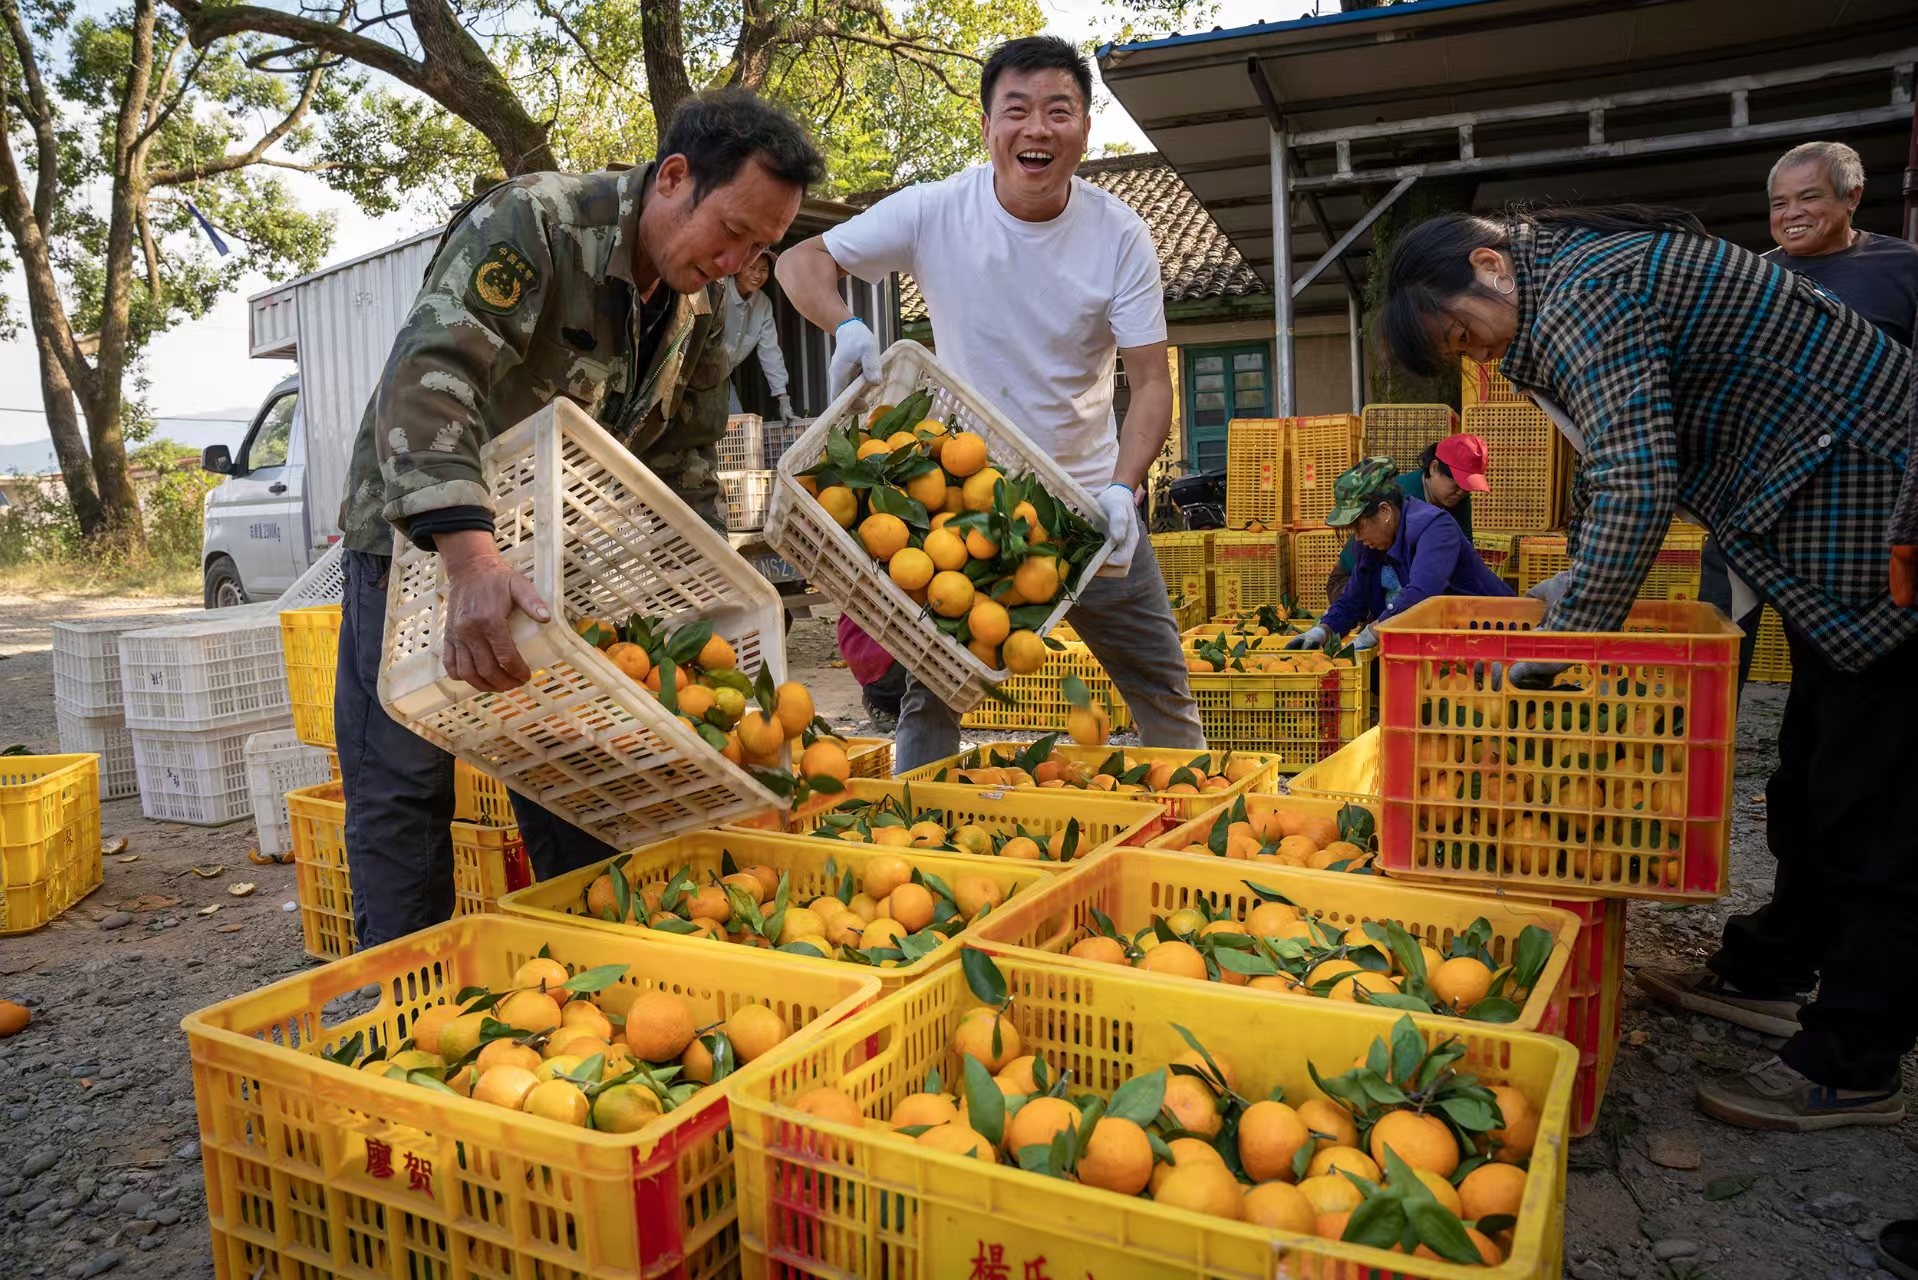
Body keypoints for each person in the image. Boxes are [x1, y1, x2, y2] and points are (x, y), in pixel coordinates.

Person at [1375, 203, 1917, 1131]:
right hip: (1826, 497)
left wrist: (1559, 651)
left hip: (1874, 497)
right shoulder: (1571, 287)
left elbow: (1638, 482)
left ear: (1489, 263)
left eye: (1468, 335)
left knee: (1871, 788)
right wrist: (1571, 581)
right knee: (1814, 762)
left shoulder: (1587, 292)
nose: (1480, 360)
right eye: (1461, 355)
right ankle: (1774, 965)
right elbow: (1608, 466)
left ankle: (1854, 1059)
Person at [332, 89, 825, 947]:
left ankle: (585, 980)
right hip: (428, 547)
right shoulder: (536, 223)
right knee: (406, 783)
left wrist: (708, 607)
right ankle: (400, 1007)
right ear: (674, 178)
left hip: (561, 555)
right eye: (734, 231)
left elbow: (687, 465)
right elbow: (431, 377)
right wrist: (472, 565)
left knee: (581, 775)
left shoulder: (697, 307)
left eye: (762, 246)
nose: (738, 259)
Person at [774, 35, 1204, 772]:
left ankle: (1193, 834)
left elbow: (1151, 382)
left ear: (1083, 130)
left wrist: (1124, 490)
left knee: (1161, 682)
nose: (1037, 129)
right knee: (931, 692)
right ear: (987, 127)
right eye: (1018, 110)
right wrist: (841, 323)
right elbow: (800, 259)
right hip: (971, 498)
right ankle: (918, 835)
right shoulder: (937, 210)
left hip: (1089, 508)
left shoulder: (1120, 235)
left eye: (1058, 110)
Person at [1697, 139, 1918, 691]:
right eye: (1779, 203)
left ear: (1852, 197)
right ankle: (1704, 756)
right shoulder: (1752, 279)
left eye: (1808, 198)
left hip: (1846, 512)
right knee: (1718, 641)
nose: (1791, 214)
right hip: (1754, 498)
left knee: (1831, 665)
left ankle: (1810, 775)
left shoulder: (1902, 268)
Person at [1289, 457, 1513, 652]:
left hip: (1495, 635)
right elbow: (1353, 599)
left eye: (1359, 526)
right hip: (1440, 646)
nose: (1356, 537)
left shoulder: (1435, 528)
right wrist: (1322, 630)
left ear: (1385, 511)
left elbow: (1421, 595)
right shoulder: (1371, 544)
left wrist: (1371, 634)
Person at [1325, 434, 1490, 604]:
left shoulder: (1457, 500)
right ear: (1434, 468)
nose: (1461, 493)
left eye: (1468, 488)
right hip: (1351, 578)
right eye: (1456, 485)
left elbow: (1461, 555)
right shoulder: (1400, 500)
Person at [722, 250, 795, 420]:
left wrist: (783, 398)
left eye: (763, 270)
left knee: (736, 431)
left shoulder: (763, 304)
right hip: (690, 376)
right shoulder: (719, 291)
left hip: (720, 378)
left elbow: (770, 351)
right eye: (751, 267)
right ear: (737, 267)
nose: (757, 275)